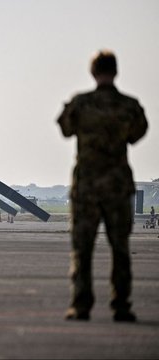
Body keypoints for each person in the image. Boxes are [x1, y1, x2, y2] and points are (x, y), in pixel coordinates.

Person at [57, 50, 148, 322]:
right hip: (117, 186)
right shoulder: (129, 106)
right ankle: (121, 305)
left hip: (86, 186)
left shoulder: (81, 103)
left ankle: (80, 305)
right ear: (116, 72)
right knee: (120, 247)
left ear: (93, 73)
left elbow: (65, 129)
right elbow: (137, 134)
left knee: (82, 248)